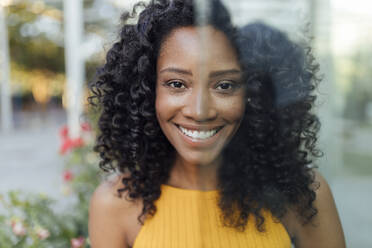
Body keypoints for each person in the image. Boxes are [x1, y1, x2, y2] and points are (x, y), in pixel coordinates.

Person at [88, 0, 345, 247]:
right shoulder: (115, 204)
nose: (200, 111)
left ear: (255, 96)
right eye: (177, 84)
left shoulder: (301, 195)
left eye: (225, 86)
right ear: (145, 91)